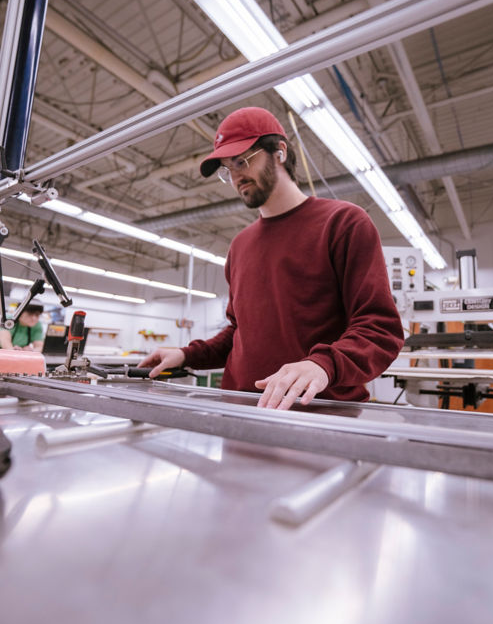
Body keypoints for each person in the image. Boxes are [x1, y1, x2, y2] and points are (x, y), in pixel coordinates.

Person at [139, 106, 404, 410]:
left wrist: (323, 365)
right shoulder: (240, 246)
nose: (236, 176)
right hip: (240, 412)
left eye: (242, 161)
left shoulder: (343, 223)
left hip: (321, 415)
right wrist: (187, 354)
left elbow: (379, 328)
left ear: (279, 152)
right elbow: (239, 333)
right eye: (227, 169)